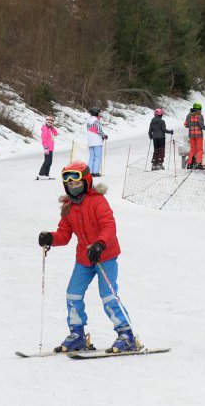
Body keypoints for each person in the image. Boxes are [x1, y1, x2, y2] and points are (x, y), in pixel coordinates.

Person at [37, 161, 138, 353]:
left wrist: (100, 244)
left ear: (86, 181)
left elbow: (109, 226)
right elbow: (64, 234)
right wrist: (50, 237)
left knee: (108, 295)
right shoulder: (68, 207)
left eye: (77, 183)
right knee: (73, 294)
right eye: (69, 184)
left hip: (105, 256)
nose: (73, 187)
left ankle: (126, 335)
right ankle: (77, 335)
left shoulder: (98, 201)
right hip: (84, 259)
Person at [184, 103, 205, 169]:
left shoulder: (189, 115)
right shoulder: (200, 116)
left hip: (191, 135)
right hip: (198, 135)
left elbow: (186, 125)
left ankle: (190, 163)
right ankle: (198, 163)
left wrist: (191, 124)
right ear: (199, 109)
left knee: (192, 149)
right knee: (199, 149)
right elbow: (201, 125)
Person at [85, 108, 107, 177]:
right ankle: (95, 172)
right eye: (99, 113)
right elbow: (98, 130)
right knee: (98, 157)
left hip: (90, 142)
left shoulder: (88, 121)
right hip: (97, 141)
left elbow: (90, 130)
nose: (99, 114)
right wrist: (104, 135)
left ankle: (89, 172)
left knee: (91, 157)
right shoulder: (96, 121)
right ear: (96, 113)